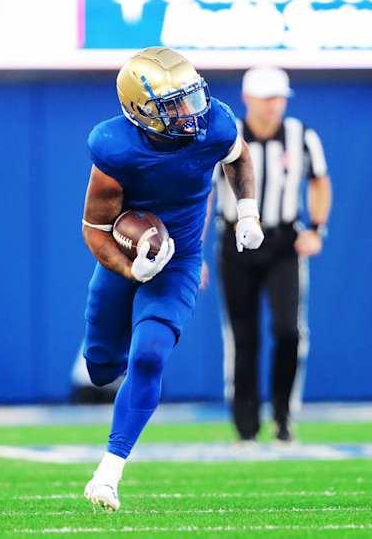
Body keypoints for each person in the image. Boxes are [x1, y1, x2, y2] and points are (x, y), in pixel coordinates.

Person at [79, 47, 264, 511]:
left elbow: (238, 157)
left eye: (191, 96)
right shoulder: (115, 147)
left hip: (180, 260)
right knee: (100, 369)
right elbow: (95, 230)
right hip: (125, 253)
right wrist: (130, 268)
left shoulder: (215, 125)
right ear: (140, 111)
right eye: (173, 104)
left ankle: (108, 474)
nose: (190, 111)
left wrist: (247, 212)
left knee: (149, 355)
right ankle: (110, 356)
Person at [212, 66, 332, 443]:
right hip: (236, 242)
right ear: (247, 98)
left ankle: (283, 415)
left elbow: (319, 181)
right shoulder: (226, 136)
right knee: (242, 337)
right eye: (266, 98)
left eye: (279, 98)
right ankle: (245, 425)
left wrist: (316, 229)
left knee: (288, 330)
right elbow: (206, 194)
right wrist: (192, 253)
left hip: (283, 242)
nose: (273, 106)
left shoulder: (301, 136)